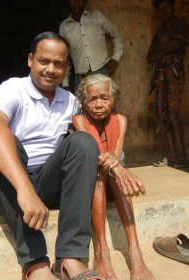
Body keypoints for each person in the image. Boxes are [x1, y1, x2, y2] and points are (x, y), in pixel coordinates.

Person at [0, 31, 103, 280]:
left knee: (83, 142)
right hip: (9, 183)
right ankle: (36, 263)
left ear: (66, 67)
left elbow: (82, 150)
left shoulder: (70, 101)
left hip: (47, 182)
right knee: (2, 142)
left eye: (59, 64)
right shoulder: (11, 90)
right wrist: (24, 189)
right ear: (31, 59)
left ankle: (70, 258)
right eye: (44, 61)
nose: (51, 69)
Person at [73, 74, 155, 280]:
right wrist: (119, 170)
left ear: (113, 99)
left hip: (113, 180)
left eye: (104, 98)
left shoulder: (121, 120)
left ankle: (136, 254)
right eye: (92, 99)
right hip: (96, 182)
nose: (99, 104)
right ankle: (101, 253)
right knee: (100, 173)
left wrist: (118, 168)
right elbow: (96, 154)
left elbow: (116, 155)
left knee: (112, 172)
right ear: (83, 101)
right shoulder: (79, 120)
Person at [146, 0, 189, 168]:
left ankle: (183, 156)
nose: (163, 12)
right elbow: (150, 57)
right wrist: (166, 50)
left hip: (174, 76)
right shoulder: (159, 32)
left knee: (173, 113)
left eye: (166, 8)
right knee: (160, 113)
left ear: (172, 8)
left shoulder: (181, 25)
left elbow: (178, 44)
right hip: (160, 78)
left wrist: (161, 51)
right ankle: (173, 156)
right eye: (160, 10)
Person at [59, 0, 123, 91]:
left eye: (79, 0)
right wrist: (65, 83)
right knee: (82, 105)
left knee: (106, 104)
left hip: (102, 73)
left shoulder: (96, 17)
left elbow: (116, 35)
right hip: (81, 78)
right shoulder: (64, 26)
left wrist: (116, 57)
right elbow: (65, 57)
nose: (76, 3)